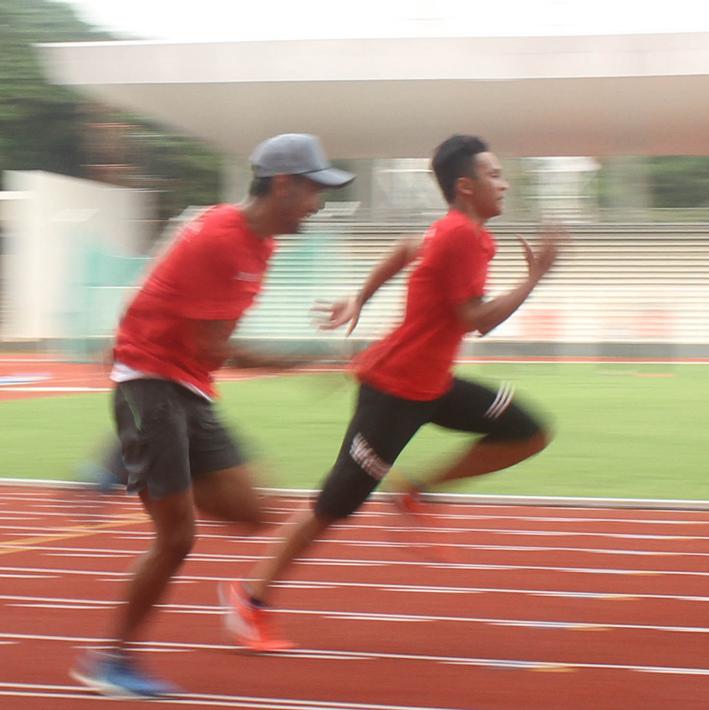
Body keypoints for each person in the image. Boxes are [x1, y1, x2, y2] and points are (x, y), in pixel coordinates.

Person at [222, 134, 561, 652]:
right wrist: (534, 278)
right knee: (335, 505)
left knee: (528, 430)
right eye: (494, 175)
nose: (505, 182)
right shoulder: (460, 237)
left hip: (434, 384)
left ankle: (416, 493)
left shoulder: (461, 232)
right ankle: (250, 597)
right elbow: (477, 321)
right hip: (393, 390)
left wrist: (361, 294)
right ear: (466, 188)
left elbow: (406, 249)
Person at [71, 134, 354, 697]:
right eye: (313, 190)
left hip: (188, 387)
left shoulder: (260, 243)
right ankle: (109, 660)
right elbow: (214, 347)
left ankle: (127, 462)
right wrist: (310, 363)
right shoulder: (221, 240)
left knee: (253, 511)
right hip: (149, 383)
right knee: (177, 537)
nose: (318, 204)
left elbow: (181, 312)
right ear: (282, 185)